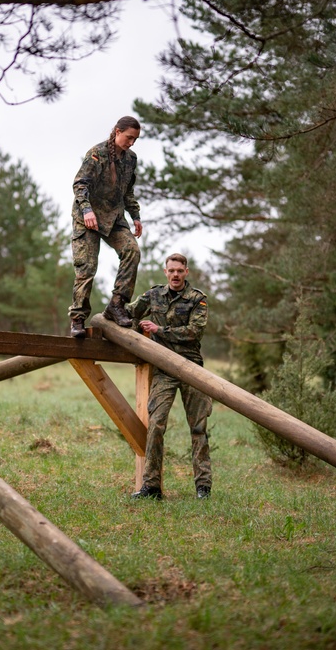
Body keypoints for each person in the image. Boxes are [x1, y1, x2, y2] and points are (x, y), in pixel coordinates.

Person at [128, 254, 213, 500]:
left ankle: (203, 487)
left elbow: (195, 332)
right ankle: (151, 487)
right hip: (163, 369)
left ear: (186, 272)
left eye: (180, 270)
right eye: (171, 270)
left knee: (198, 428)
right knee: (155, 425)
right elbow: (129, 313)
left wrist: (159, 330)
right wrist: (135, 328)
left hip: (191, 368)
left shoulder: (198, 300)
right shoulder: (153, 295)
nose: (175, 275)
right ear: (165, 272)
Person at [68, 116, 143, 338]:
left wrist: (136, 216)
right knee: (87, 267)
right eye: (129, 137)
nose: (131, 142)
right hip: (88, 217)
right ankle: (78, 319)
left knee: (132, 251)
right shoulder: (97, 153)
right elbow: (80, 184)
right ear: (117, 132)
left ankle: (116, 305)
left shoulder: (131, 159)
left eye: (135, 139)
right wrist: (86, 210)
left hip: (114, 217)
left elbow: (127, 191)